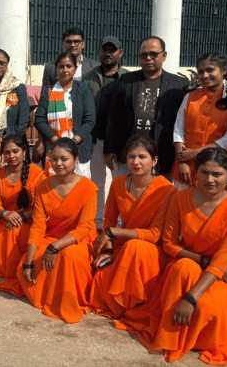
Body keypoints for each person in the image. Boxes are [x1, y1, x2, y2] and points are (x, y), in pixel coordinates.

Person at [120, 147, 227, 364]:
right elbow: (169, 244)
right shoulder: (180, 198)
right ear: (195, 172)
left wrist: (191, 298)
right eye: (204, 172)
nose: (210, 179)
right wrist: (201, 260)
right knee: (183, 267)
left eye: (217, 174)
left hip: (223, 272)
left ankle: (187, 333)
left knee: (207, 308)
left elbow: (222, 260)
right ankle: (168, 336)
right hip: (187, 261)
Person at [0, 138, 97, 323]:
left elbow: (85, 227)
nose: (58, 163)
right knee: (27, 267)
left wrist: (55, 247)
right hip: (51, 237)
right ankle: (49, 294)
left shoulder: (88, 188)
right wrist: (29, 262)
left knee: (69, 256)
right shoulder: (43, 186)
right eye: (54, 159)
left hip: (77, 239)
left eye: (64, 159)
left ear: (76, 160)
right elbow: (38, 225)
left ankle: (68, 299)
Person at [89, 135, 175, 318]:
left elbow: (155, 235)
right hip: (123, 244)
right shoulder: (118, 183)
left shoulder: (166, 189)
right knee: (99, 277)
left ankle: (131, 304)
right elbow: (109, 221)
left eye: (142, 157)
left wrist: (115, 232)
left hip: (152, 250)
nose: (136, 162)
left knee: (134, 247)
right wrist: (109, 250)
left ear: (154, 161)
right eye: (131, 157)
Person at [104, 36, 187, 176]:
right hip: (129, 155)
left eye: (153, 54)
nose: (148, 58)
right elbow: (113, 117)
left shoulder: (179, 85)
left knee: (160, 190)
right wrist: (109, 149)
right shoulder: (126, 81)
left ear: (164, 55)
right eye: (144, 55)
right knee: (126, 189)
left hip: (162, 155)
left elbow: (183, 122)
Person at [0, 135, 44, 280]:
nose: (11, 156)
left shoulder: (37, 174)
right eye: (7, 153)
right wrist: (5, 213)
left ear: (24, 152)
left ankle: (11, 268)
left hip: (28, 223)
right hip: (2, 221)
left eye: (15, 151)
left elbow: (40, 207)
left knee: (13, 230)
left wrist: (20, 216)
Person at [172, 53, 227, 187]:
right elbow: (178, 130)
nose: (204, 75)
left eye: (210, 70)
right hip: (186, 167)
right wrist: (182, 161)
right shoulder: (190, 97)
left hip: (217, 168)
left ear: (224, 70)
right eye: (201, 71)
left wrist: (196, 153)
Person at [83, 36, 128, 226]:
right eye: (105, 50)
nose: (108, 53)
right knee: (97, 182)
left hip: (119, 140)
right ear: (99, 52)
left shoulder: (128, 79)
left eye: (112, 50)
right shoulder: (88, 78)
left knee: (121, 183)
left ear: (120, 53)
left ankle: (121, 221)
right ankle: (98, 221)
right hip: (96, 138)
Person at [35, 50, 96, 177]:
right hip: (54, 147)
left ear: (75, 69)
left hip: (79, 148)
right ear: (56, 69)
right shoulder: (48, 91)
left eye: (69, 66)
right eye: (61, 66)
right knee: (55, 185)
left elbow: (90, 119)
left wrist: (75, 140)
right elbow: (39, 119)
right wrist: (55, 139)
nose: (65, 70)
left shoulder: (83, 89)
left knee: (79, 186)